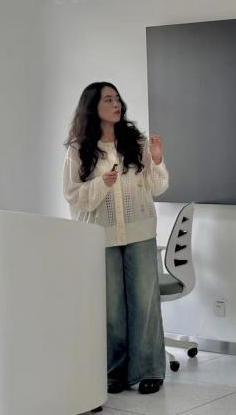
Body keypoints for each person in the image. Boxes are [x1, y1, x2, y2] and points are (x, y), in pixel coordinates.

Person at [63, 82, 169, 395]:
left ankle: (149, 370)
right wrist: (102, 184)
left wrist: (157, 159)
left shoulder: (136, 142)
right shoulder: (78, 150)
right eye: (108, 99)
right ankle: (114, 372)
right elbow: (72, 195)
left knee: (144, 304)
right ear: (92, 107)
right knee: (111, 309)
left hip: (140, 231)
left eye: (117, 98)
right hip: (102, 235)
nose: (116, 104)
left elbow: (157, 187)